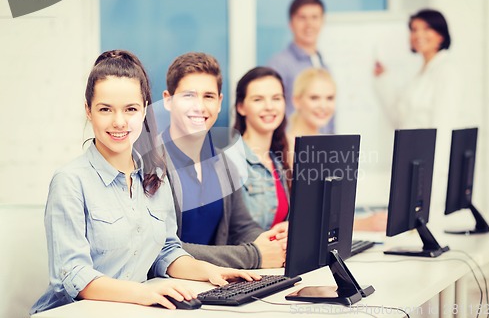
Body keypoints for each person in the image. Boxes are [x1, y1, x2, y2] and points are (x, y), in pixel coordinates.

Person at [30, 50, 260, 314]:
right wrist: (145, 292)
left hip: (136, 310)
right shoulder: (70, 181)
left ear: (145, 111)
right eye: (105, 109)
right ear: (88, 111)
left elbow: (167, 251)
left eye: (130, 109)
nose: (119, 121)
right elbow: (74, 275)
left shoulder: (155, 176)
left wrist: (213, 272)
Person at [161, 52, 287, 269]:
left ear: (219, 103)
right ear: (168, 100)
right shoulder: (150, 166)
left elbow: (242, 227)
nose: (199, 106)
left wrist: (273, 243)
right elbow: (165, 249)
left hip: (214, 288)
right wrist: (253, 255)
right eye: (188, 96)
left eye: (208, 96)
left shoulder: (223, 163)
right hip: (167, 289)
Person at [373, 9, 464, 214]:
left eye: (426, 28)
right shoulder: (421, 73)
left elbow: (443, 126)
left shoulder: (446, 70)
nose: (418, 35)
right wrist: (383, 80)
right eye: (414, 29)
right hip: (414, 165)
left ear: (441, 34)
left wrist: (432, 180)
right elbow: (400, 119)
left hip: (431, 171)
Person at [288, 67, 387, 232]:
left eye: (329, 98)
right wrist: (363, 224)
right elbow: (305, 215)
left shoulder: (329, 146)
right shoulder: (286, 146)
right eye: (314, 98)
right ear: (297, 101)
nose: (323, 106)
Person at [233, 66, 291, 230]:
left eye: (276, 98)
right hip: (251, 254)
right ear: (241, 107)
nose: (269, 106)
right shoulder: (231, 160)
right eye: (258, 99)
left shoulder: (278, 160)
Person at [267, 0, 334, 133]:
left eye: (314, 17)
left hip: (323, 147)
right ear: (291, 23)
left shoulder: (324, 66)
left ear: (322, 21)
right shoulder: (279, 65)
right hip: (292, 147)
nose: (309, 24)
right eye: (302, 18)